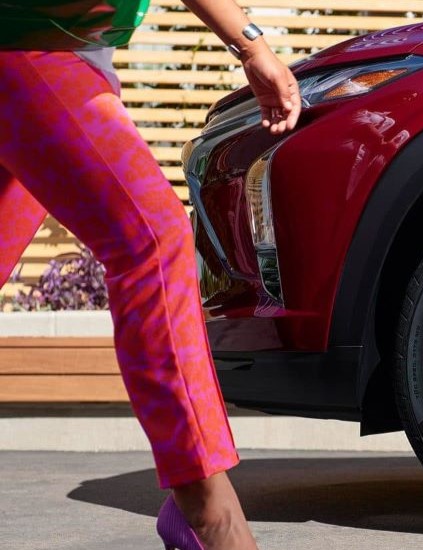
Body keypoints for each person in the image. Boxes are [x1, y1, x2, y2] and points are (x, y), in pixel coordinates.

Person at [0, 1, 301, 549]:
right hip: (27, 43)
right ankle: (207, 510)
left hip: (59, 45)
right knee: (151, 242)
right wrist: (251, 45)